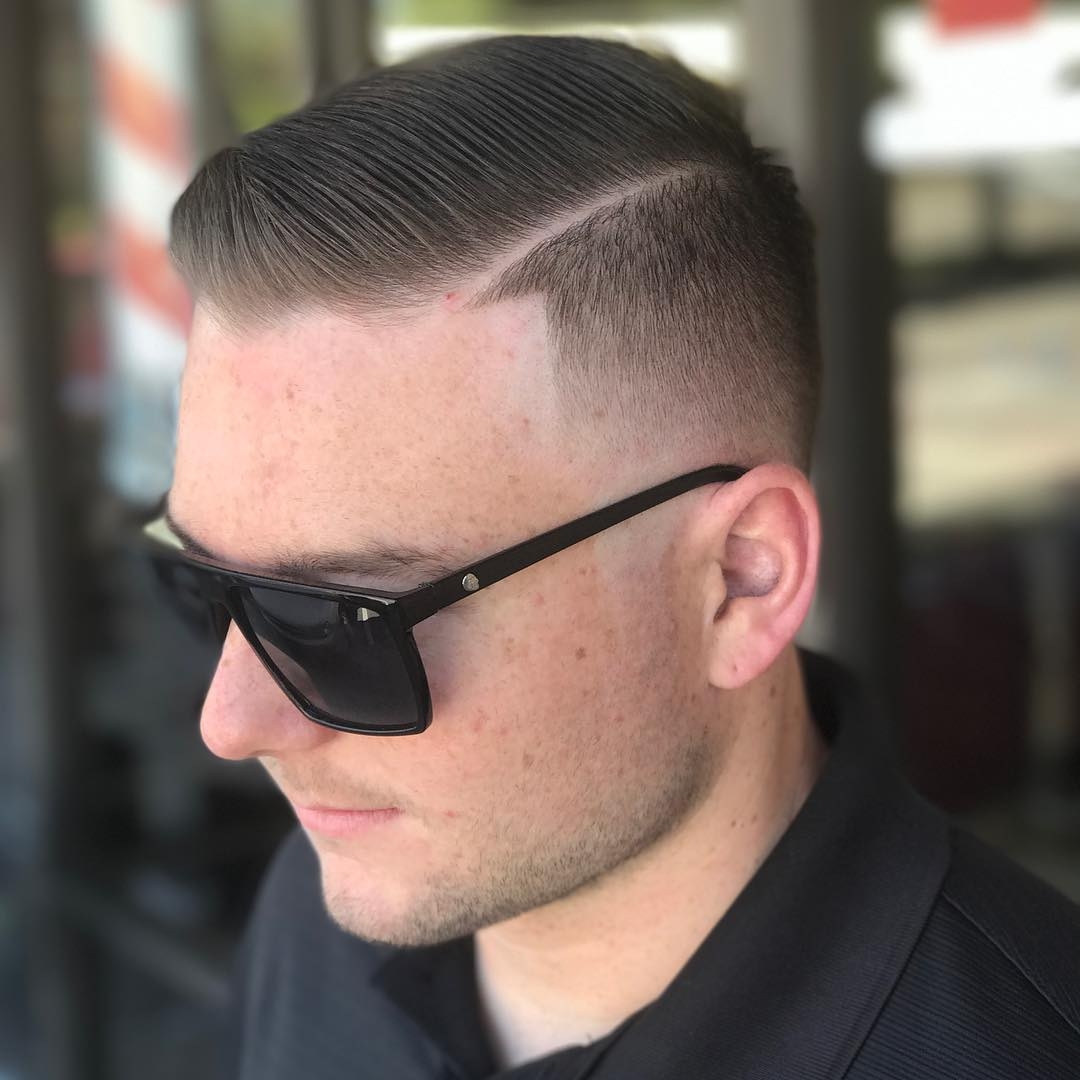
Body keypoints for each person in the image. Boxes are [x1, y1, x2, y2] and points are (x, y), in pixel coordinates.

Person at [151, 34, 1080, 1080]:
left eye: (341, 622)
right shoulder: (328, 907)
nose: (230, 723)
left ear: (741, 580)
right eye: (205, 584)